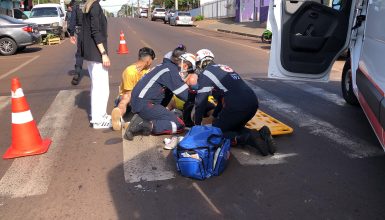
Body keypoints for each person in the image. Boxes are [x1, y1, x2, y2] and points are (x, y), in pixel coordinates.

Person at [185, 49, 276, 155]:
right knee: (233, 127)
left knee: (216, 133)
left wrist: (197, 126)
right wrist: (214, 116)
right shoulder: (223, 68)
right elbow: (220, 99)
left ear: (200, 63)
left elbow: (200, 102)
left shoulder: (206, 73)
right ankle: (261, 134)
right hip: (252, 103)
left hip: (237, 105)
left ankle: (247, 138)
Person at [124, 51, 195, 140]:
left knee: (175, 112)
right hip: (145, 104)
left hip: (139, 102)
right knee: (179, 125)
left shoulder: (164, 67)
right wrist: (201, 96)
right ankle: (142, 124)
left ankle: (141, 117)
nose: (189, 73)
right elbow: (186, 96)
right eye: (190, 70)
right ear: (185, 66)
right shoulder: (171, 71)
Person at [81, 0, 111, 129]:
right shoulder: (95, 7)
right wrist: (103, 53)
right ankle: (98, 120)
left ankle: (101, 114)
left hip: (90, 52)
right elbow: (96, 32)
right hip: (96, 53)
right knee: (101, 88)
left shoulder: (88, 7)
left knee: (98, 87)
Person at [111, 47, 156, 131]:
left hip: (139, 99)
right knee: (127, 97)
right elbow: (129, 92)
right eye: (152, 60)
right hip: (126, 99)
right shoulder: (130, 71)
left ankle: (131, 122)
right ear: (149, 60)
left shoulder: (147, 71)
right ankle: (119, 113)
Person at [68, 0, 84, 85]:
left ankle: (77, 72)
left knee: (80, 53)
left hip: (81, 32)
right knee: (95, 53)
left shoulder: (76, 5)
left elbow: (72, 21)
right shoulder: (93, 3)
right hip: (92, 32)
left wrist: (71, 34)